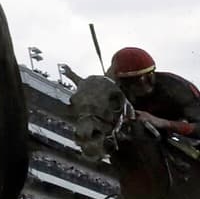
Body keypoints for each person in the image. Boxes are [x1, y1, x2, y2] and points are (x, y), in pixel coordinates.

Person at [68, 48, 200, 137]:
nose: (143, 83)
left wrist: (160, 122)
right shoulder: (117, 91)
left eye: (148, 76)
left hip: (186, 138)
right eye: (134, 81)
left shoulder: (178, 88)